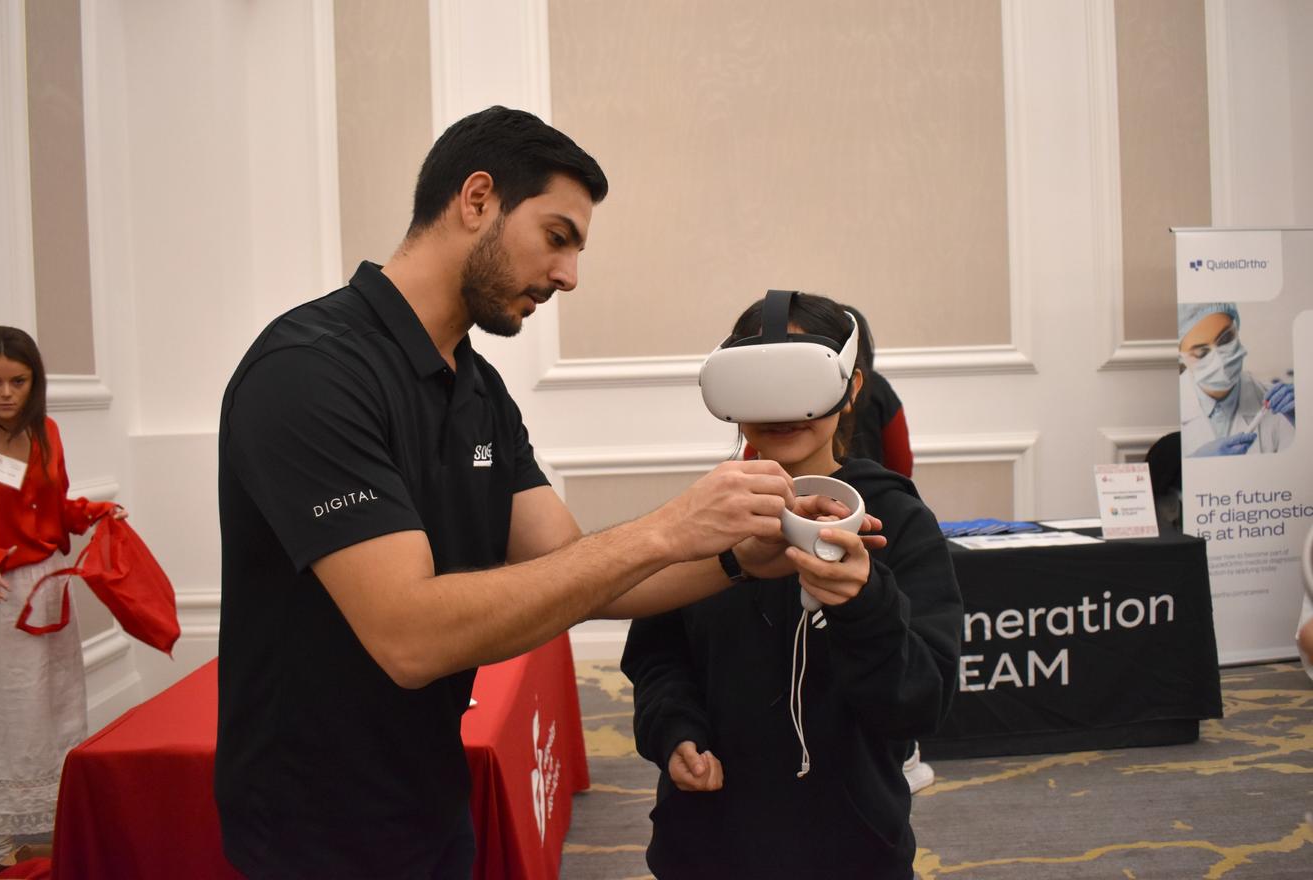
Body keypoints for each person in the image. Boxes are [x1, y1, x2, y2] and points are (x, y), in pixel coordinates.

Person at [214, 106, 836, 879]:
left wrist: (741, 559)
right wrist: (670, 526)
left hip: (428, 794)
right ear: (477, 199)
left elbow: (581, 572)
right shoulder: (309, 373)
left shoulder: (477, 390)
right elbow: (410, 638)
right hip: (309, 827)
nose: (569, 275)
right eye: (557, 236)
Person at [621, 293, 963, 879]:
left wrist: (865, 603)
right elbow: (657, 655)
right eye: (760, 382)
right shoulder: (701, 518)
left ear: (850, 388)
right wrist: (675, 730)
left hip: (848, 846)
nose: (782, 409)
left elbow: (920, 701)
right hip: (708, 842)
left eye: (800, 380)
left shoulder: (899, 522)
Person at [0, 327, 124, 871]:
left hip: (48, 587)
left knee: (53, 702)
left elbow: (56, 505)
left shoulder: (46, 432)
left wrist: (93, 513)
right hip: (1, 593)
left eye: (18, 381)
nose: (6, 393)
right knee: (8, 709)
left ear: (35, 382)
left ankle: (47, 824)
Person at [1178, 303, 1295, 457]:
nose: (1219, 361)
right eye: (1201, 352)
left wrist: (1303, 422)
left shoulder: (1278, 407)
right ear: (1181, 357)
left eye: (1226, 339)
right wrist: (1194, 464)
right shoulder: (1173, 406)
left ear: (1236, 329)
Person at [842, 303, 913, 478]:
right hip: (873, 485)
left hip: (818, 486)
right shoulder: (879, 387)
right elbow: (902, 466)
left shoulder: (814, 388)